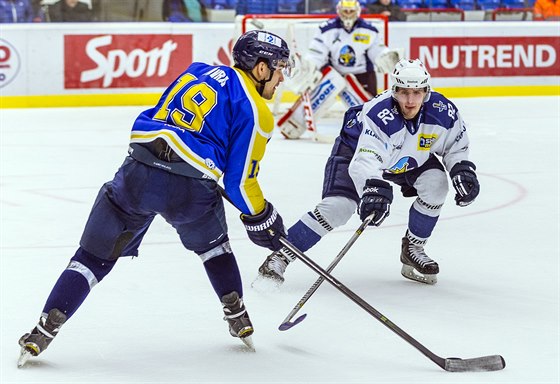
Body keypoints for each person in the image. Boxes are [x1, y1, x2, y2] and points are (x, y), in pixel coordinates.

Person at [17, 30, 293, 367]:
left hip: (138, 171)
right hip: (189, 190)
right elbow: (238, 182)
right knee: (214, 246)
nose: (282, 77)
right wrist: (262, 217)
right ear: (260, 69)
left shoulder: (196, 70)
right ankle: (237, 313)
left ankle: (43, 329)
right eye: (279, 68)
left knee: (92, 258)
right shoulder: (256, 111)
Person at [257, 58, 480, 286]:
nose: (410, 100)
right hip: (354, 150)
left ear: (427, 91)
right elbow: (366, 159)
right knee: (338, 208)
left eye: (417, 92)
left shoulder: (444, 112)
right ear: (394, 90)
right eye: (403, 92)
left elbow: (456, 146)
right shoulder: (379, 113)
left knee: (437, 184)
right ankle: (280, 256)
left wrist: (461, 168)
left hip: (407, 156)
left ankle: (413, 248)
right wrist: (372, 186)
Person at [278, 0, 402, 140]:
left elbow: (377, 51)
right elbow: (317, 54)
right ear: (339, 11)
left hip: (362, 76)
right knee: (326, 84)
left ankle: (375, 127)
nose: (348, 14)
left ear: (357, 11)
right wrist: (310, 66)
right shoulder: (327, 29)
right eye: (345, 11)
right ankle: (293, 124)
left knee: (369, 112)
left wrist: (384, 56)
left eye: (351, 11)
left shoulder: (369, 30)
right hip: (335, 74)